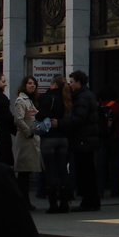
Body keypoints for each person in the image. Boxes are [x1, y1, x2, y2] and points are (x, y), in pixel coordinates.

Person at [37, 75, 73, 213]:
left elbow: (41, 115)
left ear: (53, 85)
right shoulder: (67, 99)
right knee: (63, 169)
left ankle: (53, 204)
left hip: (49, 137)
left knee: (51, 170)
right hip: (63, 138)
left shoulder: (49, 98)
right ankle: (65, 202)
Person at [67, 70, 102, 211]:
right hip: (88, 138)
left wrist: (64, 122)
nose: (70, 85)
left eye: (71, 82)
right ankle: (91, 200)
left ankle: (89, 201)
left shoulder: (81, 98)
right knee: (88, 170)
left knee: (84, 170)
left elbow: (79, 118)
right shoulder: (88, 95)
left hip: (83, 138)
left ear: (78, 82)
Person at [11, 77, 42, 210]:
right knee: (24, 172)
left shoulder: (31, 100)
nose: (32, 86)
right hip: (26, 140)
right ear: (24, 85)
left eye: (34, 83)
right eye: (29, 83)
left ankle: (24, 200)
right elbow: (18, 119)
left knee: (27, 172)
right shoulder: (21, 100)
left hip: (32, 139)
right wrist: (28, 132)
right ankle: (23, 201)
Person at [98, 86, 119, 197]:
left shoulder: (99, 105)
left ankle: (100, 189)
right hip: (114, 138)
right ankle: (115, 189)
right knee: (115, 164)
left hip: (102, 138)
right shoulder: (115, 106)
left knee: (101, 164)